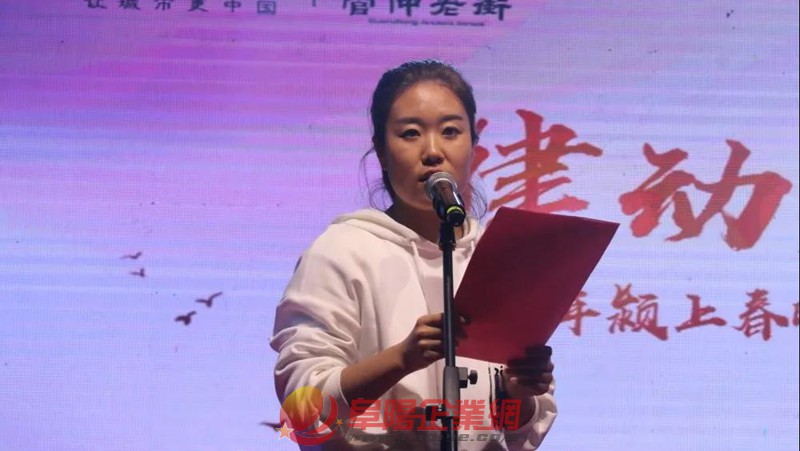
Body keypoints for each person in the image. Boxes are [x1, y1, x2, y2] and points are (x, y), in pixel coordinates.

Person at [270, 59, 556, 450]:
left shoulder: (499, 257)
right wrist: (401, 359)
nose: (433, 151)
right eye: (410, 134)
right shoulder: (341, 251)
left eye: (451, 131)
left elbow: (522, 432)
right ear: (381, 151)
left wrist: (517, 393)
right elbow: (302, 408)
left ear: (474, 143)